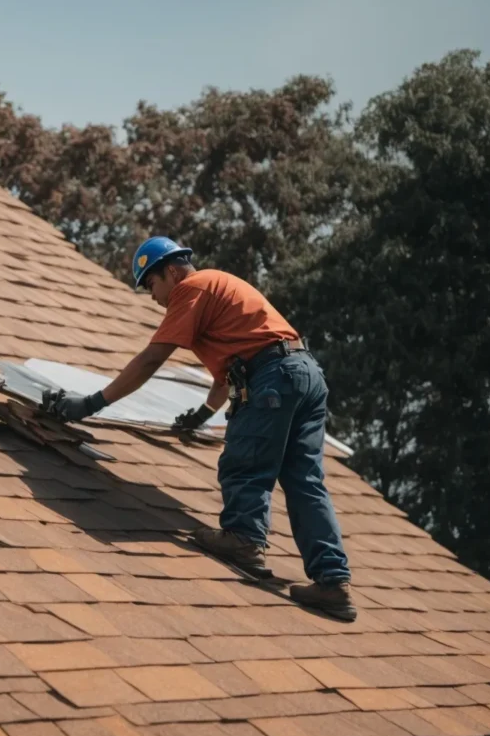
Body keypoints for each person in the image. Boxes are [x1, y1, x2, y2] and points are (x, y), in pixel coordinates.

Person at [45, 236, 354, 620]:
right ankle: (332, 583)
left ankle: (243, 538)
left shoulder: (191, 288)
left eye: (152, 285)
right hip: (305, 373)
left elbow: (151, 358)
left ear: (171, 271)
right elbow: (228, 374)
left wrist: (92, 403)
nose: (154, 297)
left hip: (275, 377)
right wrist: (204, 413)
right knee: (305, 481)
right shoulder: (219, 290)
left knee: (245, 461)